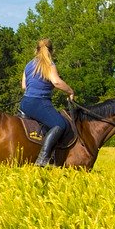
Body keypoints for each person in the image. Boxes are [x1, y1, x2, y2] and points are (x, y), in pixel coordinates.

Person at [20, 38, 75, 167]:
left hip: (25, 103)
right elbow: (56, 82)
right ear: (52, 51)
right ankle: (42, 158)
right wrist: (70, 91)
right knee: (60, 124)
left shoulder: (28, 65)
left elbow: (24, 86)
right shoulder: (49, 64)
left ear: (36, 50)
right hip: (39, 102)